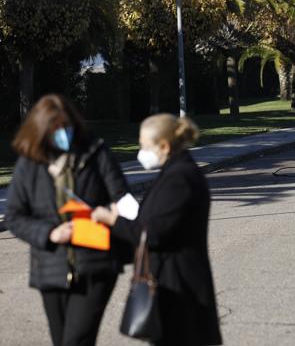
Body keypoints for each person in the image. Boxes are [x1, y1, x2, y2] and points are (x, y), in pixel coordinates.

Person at [5, 94, 130, 346]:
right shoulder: (30, 163)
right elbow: (14, 216)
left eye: (67, 126)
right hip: (51, 268)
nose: (63, 133)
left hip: (96, 264)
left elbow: (122, 198)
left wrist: (114, 213)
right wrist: (50, 234)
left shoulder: (96, 152)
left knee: (76, 340)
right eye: (56, 129)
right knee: (62, 340)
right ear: (41, 131)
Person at [92, 114, 222, 346]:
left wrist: (113, 220)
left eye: (144, 145)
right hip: (173, 285)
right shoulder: (175, 172)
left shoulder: (179, 178)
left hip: (180, 288)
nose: (140, 152)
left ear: (164, 145)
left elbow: (153, 234)